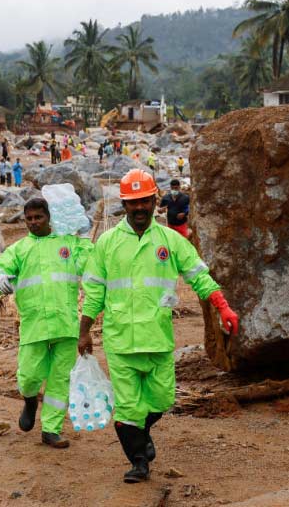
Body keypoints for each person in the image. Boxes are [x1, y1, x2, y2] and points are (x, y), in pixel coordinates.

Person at [79, 169, 238, 483]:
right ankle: (139, 461)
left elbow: (198, 276)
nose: (139, 208)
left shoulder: (170, 240)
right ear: (123, 205)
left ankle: (141, 433)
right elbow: (95, 291)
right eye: (132, 203)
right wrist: (83, 331)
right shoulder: (108, 243)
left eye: (144, 202)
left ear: (155, 201)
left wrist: (222, 305)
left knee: (162, 400)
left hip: (158, 338)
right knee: (128, 408)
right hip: (120, 340)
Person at [0, 198, 93, 449]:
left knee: (60, 380)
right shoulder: (20, 249)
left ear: (49, 218)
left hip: (65, 325)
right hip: (34, 325)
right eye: (29, 219)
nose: (33, 223)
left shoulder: (67, 243)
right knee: (29, 376)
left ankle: (51, 430)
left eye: (38, 217)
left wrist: (85, 237)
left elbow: (90, 263)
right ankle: (30, 400)